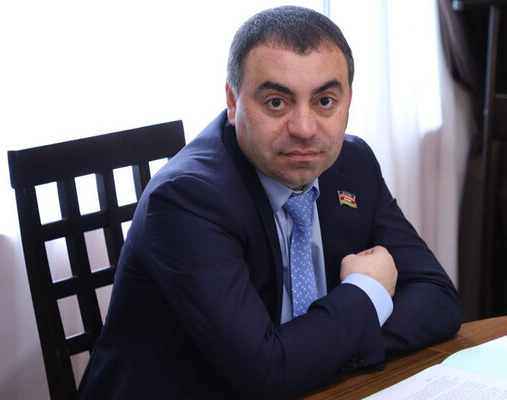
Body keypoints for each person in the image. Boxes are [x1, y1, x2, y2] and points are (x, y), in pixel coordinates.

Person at [79, 6, 461, 400]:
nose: (304, 128)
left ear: (348, 100)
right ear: (233, 102)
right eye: (276, 102)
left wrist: (313, 355)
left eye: (325, 101)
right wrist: (366, 290)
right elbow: (266, 375)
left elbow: (439, 300)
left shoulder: (353, 163)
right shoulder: (186, 199)